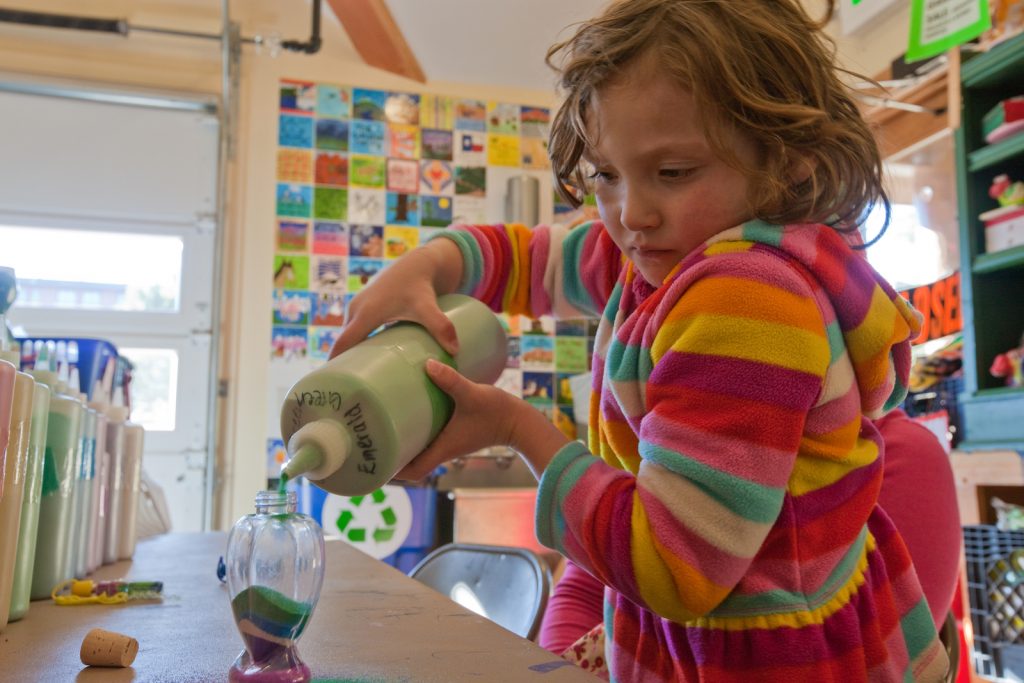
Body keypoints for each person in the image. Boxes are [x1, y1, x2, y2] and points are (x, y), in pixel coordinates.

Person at [331, 0, 948, 679]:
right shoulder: (665, 250)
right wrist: (428, 265)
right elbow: (533, 259)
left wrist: (515, 427)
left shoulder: (747, 302)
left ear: (784, 161)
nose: (631, 213)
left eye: (673, 172)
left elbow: (673, 568)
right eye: (605, 175)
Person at [538, 407, 963, 660]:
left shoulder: (900, 452)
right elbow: (584, 588)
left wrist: (523, 434)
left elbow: (878, 656)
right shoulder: (662, 442)